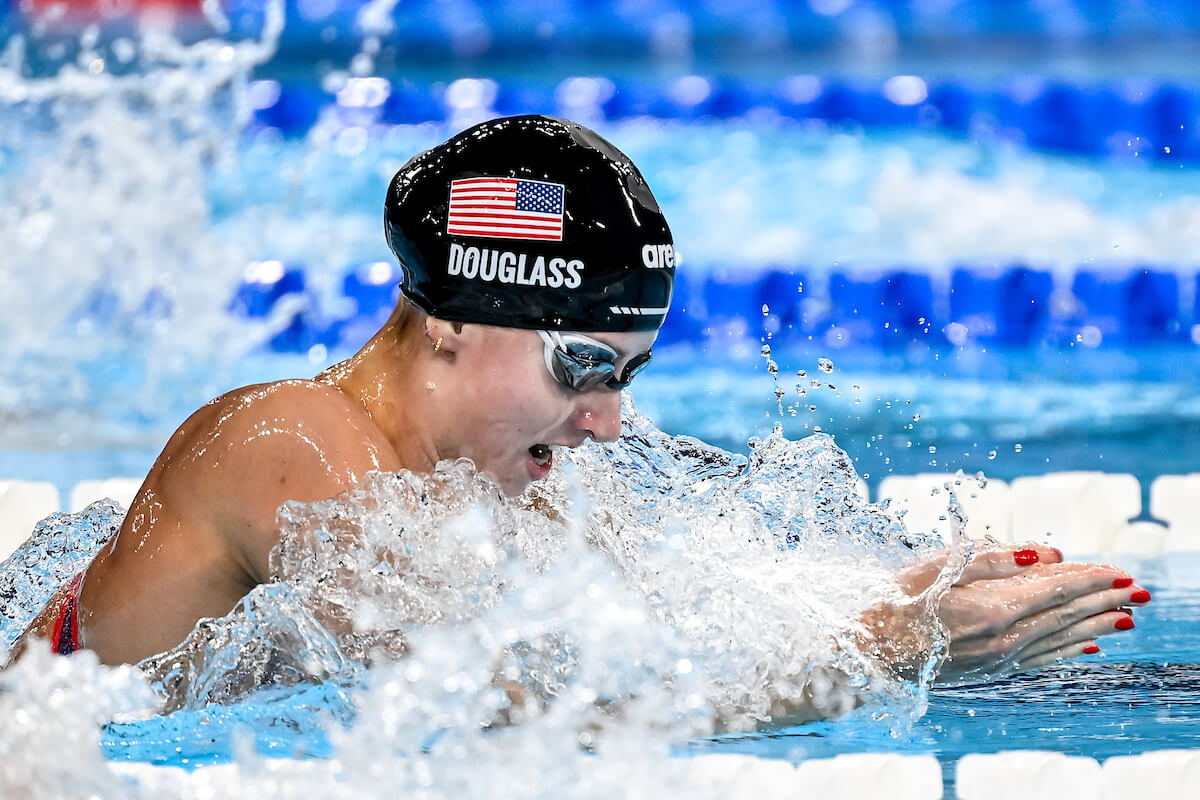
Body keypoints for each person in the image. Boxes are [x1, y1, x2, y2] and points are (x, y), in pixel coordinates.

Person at [12, 115, 1149, 699]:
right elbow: (499, 706)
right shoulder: (289, 443)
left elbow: (659, 635)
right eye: (581, 364)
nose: (606, 421)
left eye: (626, 375)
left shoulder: (500, 463)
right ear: (451, 317)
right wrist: (883, 650)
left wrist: (893, 596)